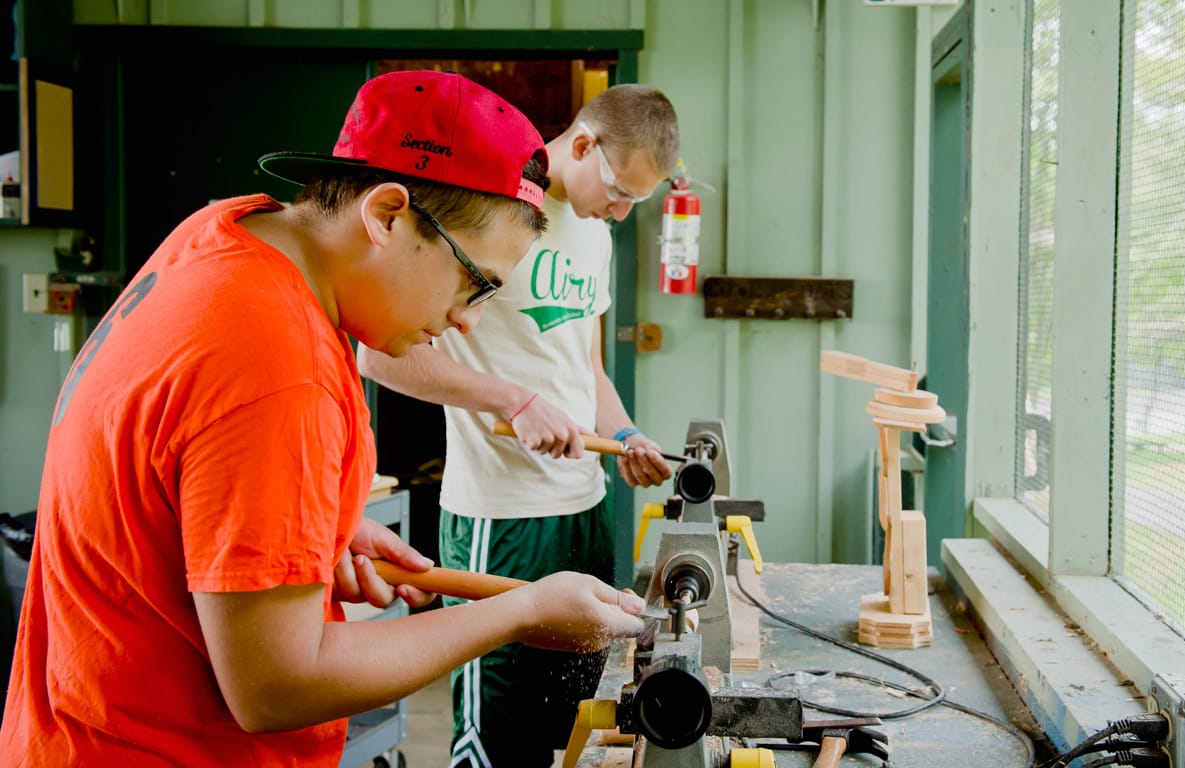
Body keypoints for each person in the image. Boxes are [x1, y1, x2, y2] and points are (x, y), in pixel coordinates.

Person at [0, 70, 647, 767]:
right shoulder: (278, 367)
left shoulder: (222, 237)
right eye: (475, 282)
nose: (468, 318)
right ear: (387, 215)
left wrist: (317, 524)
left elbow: (176, 478)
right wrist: (518, 613)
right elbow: (277, 684)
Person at [359, 83, 680, 767]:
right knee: (496, 738)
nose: (621, 213)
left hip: (583, 509)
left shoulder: (597, 236)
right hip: (499, 518)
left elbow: (583, 365)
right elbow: (382, 355)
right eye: (619, 190)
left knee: (573, 728)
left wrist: (623, 436)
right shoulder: (494, 208)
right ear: (585, 144)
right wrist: (510, 399)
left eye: (637, 203)